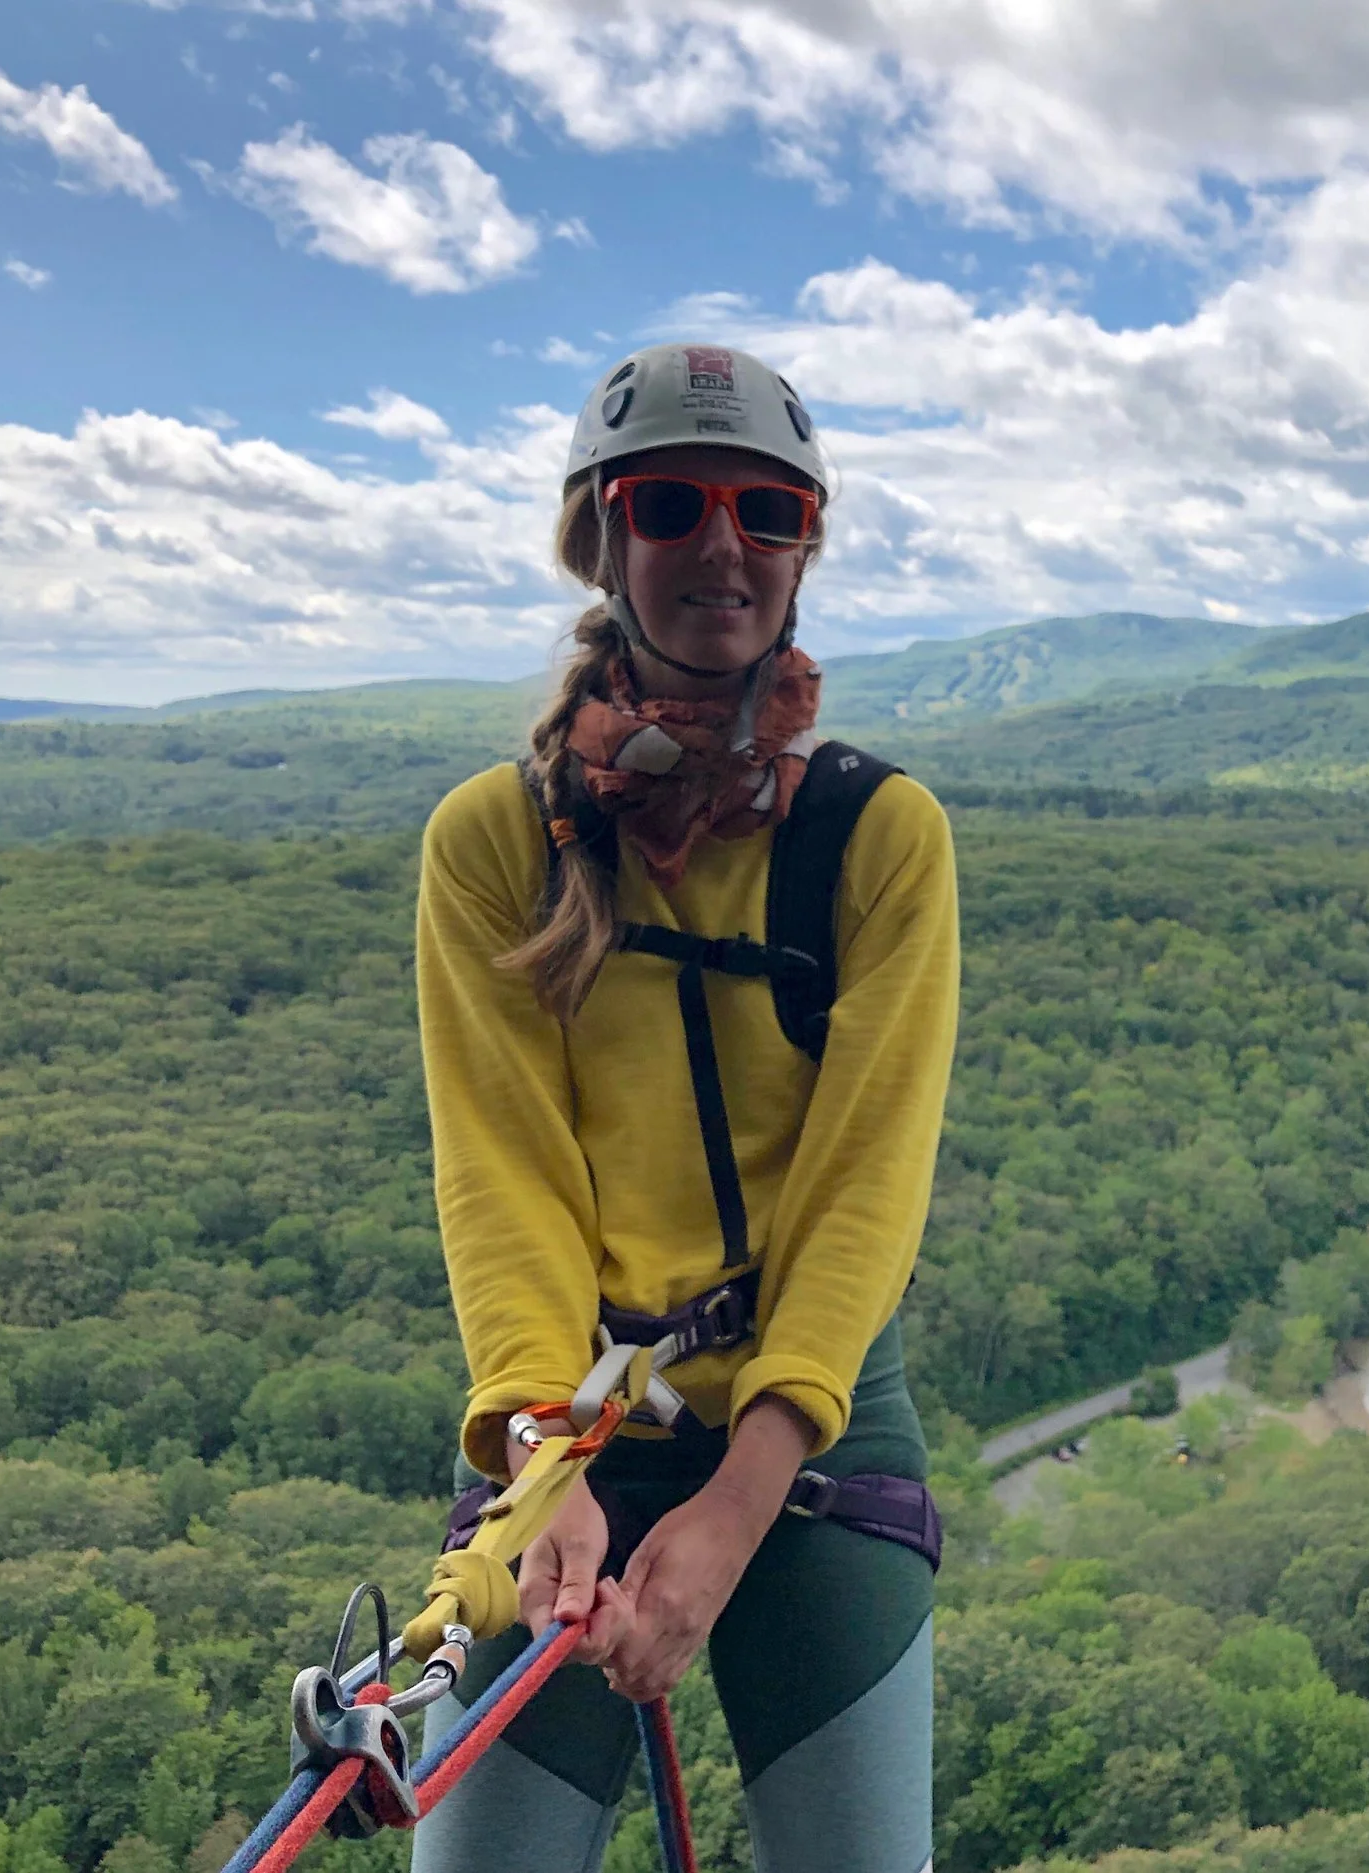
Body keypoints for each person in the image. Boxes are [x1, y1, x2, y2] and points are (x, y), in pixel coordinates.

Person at [409, 343, 959, 1873]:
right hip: (562, 1402)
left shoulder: (874, 833)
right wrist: (542, 1467)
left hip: (816, 1401)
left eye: (766, 513)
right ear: (602, 535)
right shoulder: (493, 841)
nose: (723, 544)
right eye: (671, 504)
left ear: (804, 547)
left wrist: (740, 1497)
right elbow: (500, 1170)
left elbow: (865, 1184)